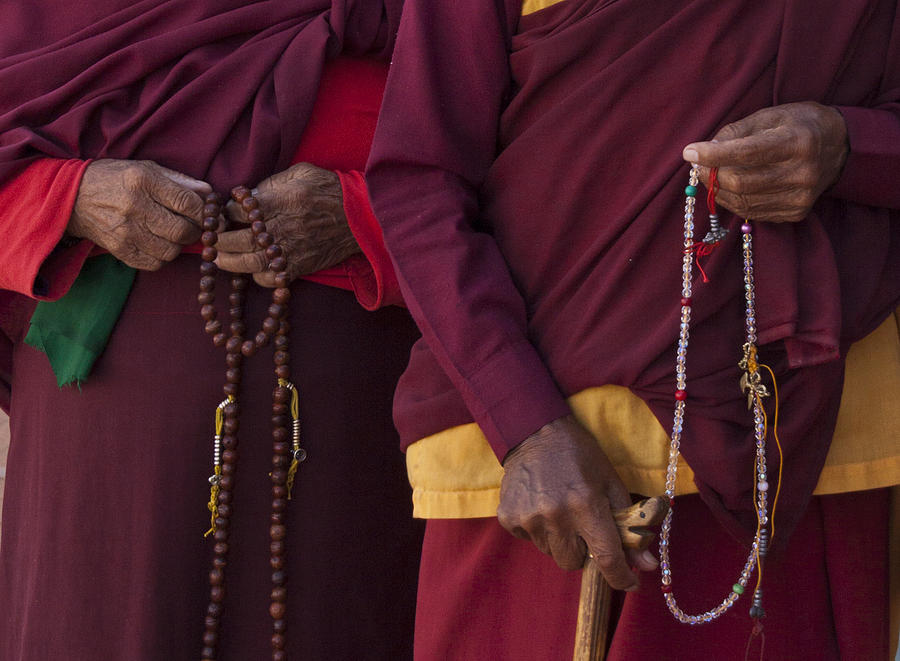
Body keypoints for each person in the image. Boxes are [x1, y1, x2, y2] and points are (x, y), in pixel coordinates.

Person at [366, 0, 900, 658]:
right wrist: (523, 422)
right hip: (542, 462)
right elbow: (421, 176)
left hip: (803, 439)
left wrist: (852, 146)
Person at [0, 1, 424, 659]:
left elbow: (526, 135)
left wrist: (369, 216)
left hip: (359, 401)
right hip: (105, 422)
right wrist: (67, 201)